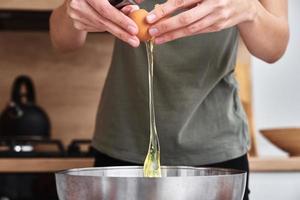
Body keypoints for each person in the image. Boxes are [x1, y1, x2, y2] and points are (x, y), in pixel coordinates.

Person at [50, 0, 289, 199]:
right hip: (122, 146)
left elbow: (274, 48)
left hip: (217, 153)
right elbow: (63, 40)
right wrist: (74, 7)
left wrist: (250, 10)